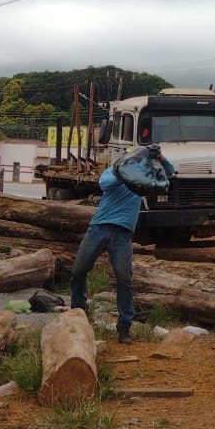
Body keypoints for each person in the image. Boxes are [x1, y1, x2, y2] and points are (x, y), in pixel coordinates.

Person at [69, 146, 176, 345]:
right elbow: (104, 184)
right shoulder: (114, 171)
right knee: (78, 270)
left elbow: (170, 173)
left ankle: (124, 326)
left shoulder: (144, 178)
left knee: (124, 278)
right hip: (99, 228)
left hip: (123, 234)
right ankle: (78, 311)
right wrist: (127, 172)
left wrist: (160, 157)